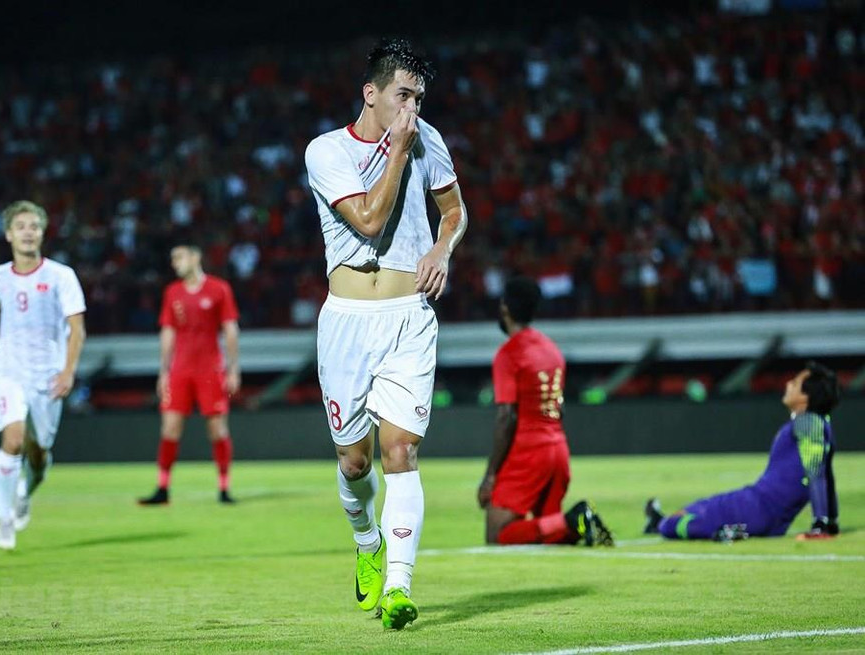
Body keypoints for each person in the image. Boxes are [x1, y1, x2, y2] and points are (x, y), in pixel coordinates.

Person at [304, 38, 467, 630]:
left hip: (407, 316)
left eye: (419, 99)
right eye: (403, 96)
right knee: (354, 462)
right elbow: (369, 219)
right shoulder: (326, 151)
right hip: (347, 323)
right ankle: (367, 540)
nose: (412, 110)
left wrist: (443, 248)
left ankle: (398, 585)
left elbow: (454, 210)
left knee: (402, 451)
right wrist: (399, 149)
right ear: (370, 93)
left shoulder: (430, 140)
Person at [0, 200, 86, 550]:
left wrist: (69, 371)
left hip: (48, 376)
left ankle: (28, 489)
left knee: (38, 453)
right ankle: (5, 519)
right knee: (12, 439)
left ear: (42, 233)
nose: (28, 232)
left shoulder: (61, 276)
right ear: (9, 234)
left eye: (35, 226)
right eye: (21, 226)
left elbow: (77, 329)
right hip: (8, 370)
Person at [477, 277, 614, 547]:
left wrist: (491, 474)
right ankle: (574, 523)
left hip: (528, 453)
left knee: (497, 537)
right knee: (550, 538)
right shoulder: (552, 350)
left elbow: (507, 416)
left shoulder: (509, 354)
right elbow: (558, 408)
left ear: (504, 307)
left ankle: (572, 519)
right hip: (558, 452)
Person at [644, 362, 840, 541]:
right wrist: (831, 519)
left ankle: (665, 524)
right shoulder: (822, 425)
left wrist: (820, 525)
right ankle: (662, 520)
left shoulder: (808, 421)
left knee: (670, 527)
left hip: (756, 507)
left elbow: (817, 472)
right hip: (761, 509)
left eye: (796, 383)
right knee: (694, 509)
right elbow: (826, 475)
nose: (789, 383)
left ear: (805, 396)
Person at [138, 242, 241, 505]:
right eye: (173, 259)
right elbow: (168, 331)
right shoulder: (172, 292)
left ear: (195, 257)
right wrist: (163, 371)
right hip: (180, 369)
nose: (174, 263)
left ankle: (224, 488)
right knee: (170, 428)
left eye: (179, 257)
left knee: (217, 429)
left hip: (210, 368)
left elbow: (230, 329)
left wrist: (233, 368)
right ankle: (162, 488)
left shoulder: (219, 289)